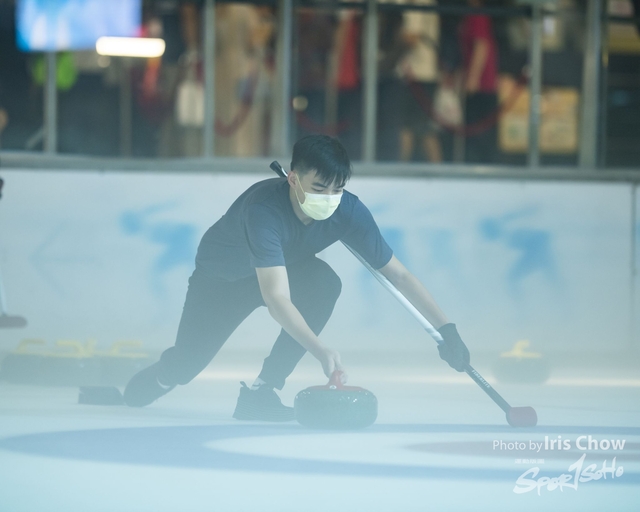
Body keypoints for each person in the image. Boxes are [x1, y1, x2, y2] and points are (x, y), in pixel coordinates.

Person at [123, 135, 471, 420]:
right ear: (293, 178)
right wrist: (320, 349)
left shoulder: (348, 211)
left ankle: (262, 392)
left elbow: (399, 275)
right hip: (224, 280)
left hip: (282, 269)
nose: (329, 199)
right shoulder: (263, 211)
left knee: (325, 284)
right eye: (319, 188)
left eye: (337, 189)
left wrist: (447, 331)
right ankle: (157, 380)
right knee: (185, 366)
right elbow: (276, 297)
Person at [459, 0, 499, 164]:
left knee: (479, 136)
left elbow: (481, 46)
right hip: (481, 83)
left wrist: (473, 78)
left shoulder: (477, 15)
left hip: (482, 85)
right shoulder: (472, 15)